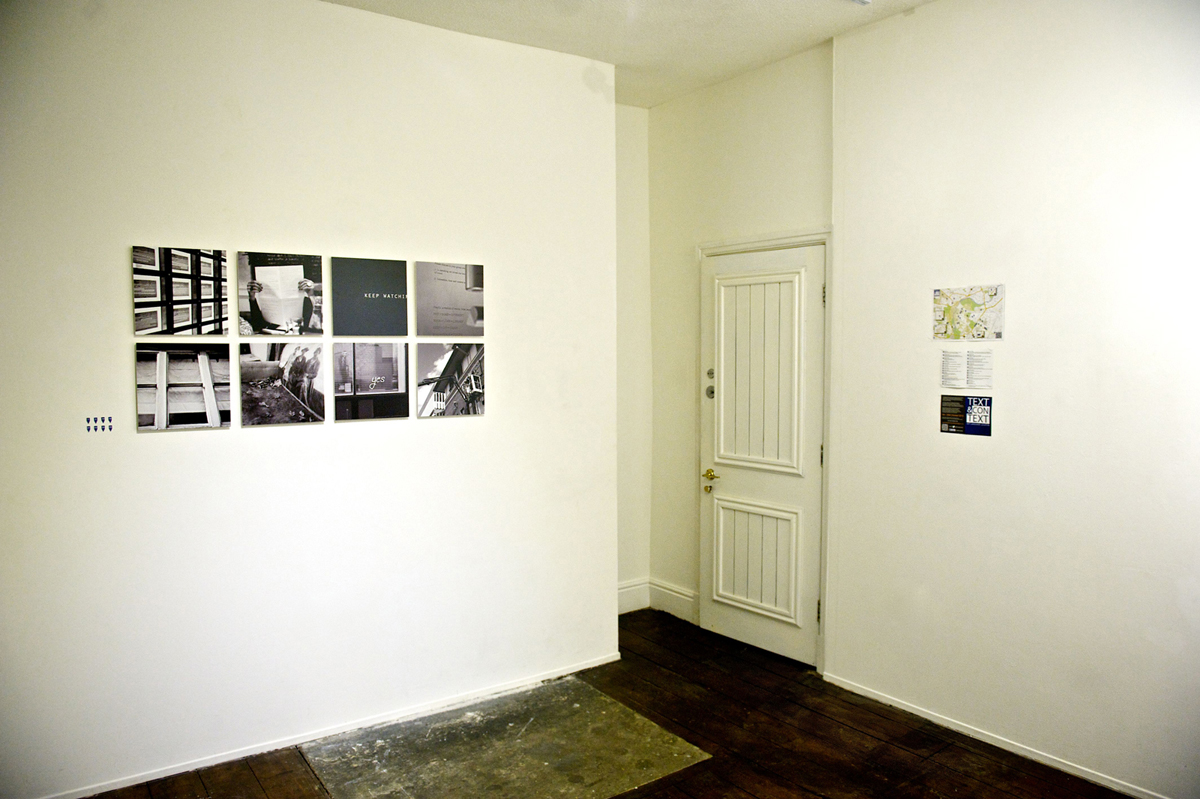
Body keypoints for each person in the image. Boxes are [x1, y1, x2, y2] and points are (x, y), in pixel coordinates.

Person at [245, 278, 323, 333]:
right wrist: (252, 298)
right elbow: (257, 325)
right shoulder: (263, 303)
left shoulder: (307, 300)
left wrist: (311, 294)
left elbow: (312, 326)